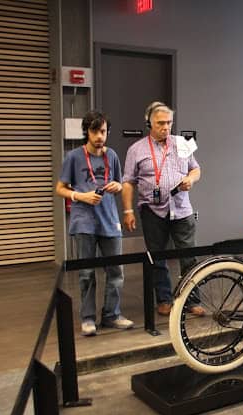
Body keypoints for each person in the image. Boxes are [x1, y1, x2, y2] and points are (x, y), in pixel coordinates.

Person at [55, 111, 134, 335]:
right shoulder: (73, 157)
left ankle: (112, 315)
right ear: (87, 132)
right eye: (95, 131)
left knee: (116, 272)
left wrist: (118, 187)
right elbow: (60, 188)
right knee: (86, 273)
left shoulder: (113, 156)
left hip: (109, 220)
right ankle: (88, 318)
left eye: (103, 131)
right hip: (84, 222)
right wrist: (81, 196)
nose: (100, 136)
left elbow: (119, 184)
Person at [122, 101, 203, 316]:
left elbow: (196, 169)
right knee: (158, 257)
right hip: (152, 211)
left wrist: (190, 180)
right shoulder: (136, 149)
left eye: (169, 123)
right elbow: (128, 182)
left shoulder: (183, 143)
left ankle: (192, 300)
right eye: (160, 123)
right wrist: (128, 211)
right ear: (149, 122)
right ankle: (164, 299)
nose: (165, 127)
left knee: (189, 256)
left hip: (182, 209)